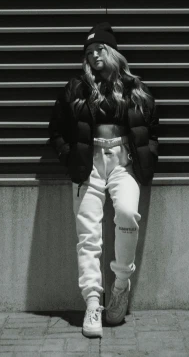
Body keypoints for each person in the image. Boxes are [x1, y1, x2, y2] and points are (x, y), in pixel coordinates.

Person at [48, 21, 159, 338]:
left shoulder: (135, 87)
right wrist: (69, 158)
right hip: (88, 164)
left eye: (100, 48)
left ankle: (121, 285)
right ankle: (93, 304)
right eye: (89, 51)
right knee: (88, 236)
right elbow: (56, 130)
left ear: (112, 51)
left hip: (123, 162)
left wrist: (148, 157)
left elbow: (152, 130)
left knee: (127, 214)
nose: (94, 54)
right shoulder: (76, 87)